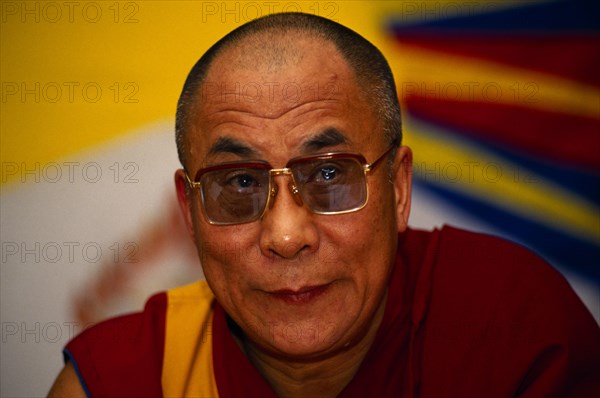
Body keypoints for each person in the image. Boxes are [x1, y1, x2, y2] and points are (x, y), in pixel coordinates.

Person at [49, 12, 599, 398]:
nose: (286, 236)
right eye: (239, 183)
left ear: (399, 188)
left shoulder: (511, 327)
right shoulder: (126, 378)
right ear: (189, 211)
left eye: (330, 173)